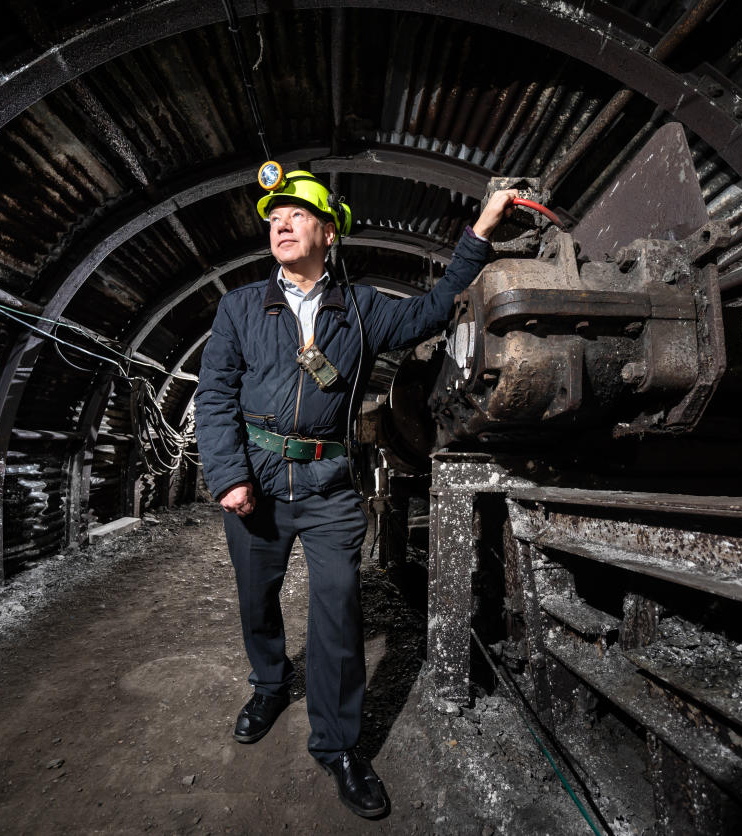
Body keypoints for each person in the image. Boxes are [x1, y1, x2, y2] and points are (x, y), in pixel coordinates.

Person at [194, 168, 516, 818]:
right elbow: (214, 397)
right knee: (256, 598)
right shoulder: (239, 307)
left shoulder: (361, 309)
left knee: (339, 613)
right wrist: (227, 474)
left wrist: (481, 230)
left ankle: (338, 745)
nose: (280, 224)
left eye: (297, 214)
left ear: (328, 231)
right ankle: (268, 682)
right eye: (273, 217)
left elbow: (435, 307)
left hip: (327, 483)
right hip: (255, 473)